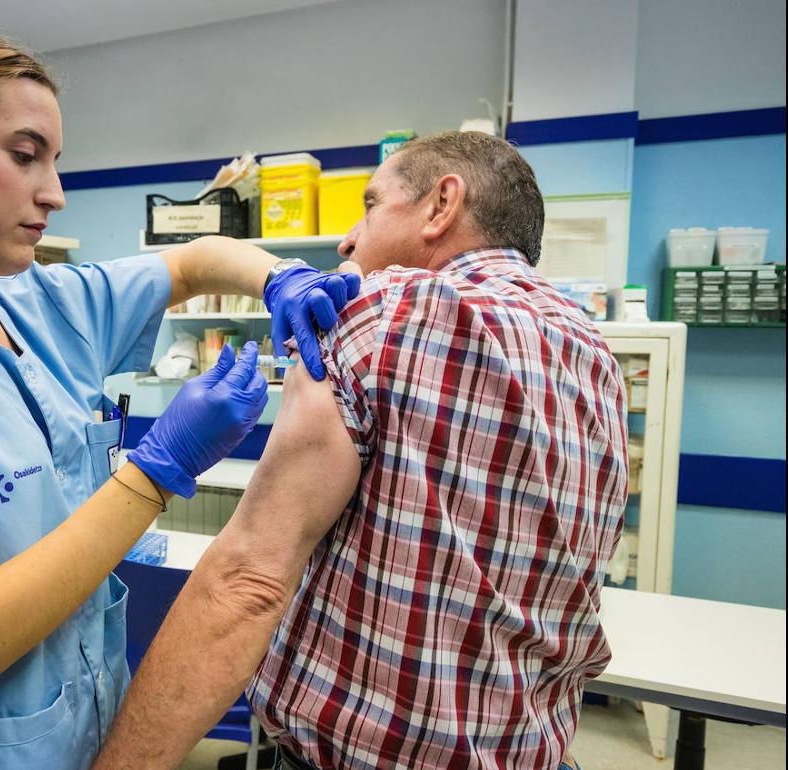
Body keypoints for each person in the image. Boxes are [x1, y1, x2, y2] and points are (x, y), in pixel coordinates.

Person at [0, 23, 362, 769]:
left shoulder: (37, 303)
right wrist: (156, 472)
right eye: (24, 156)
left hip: (89, 732)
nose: (53, 193)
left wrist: (276, 276)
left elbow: (189, 262)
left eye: (54, 161)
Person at [93, 131, 627, 770]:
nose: (348, 240)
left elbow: (249, 582)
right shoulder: (593, 351)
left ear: (441, 205)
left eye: (370, 206)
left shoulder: (385, 311)